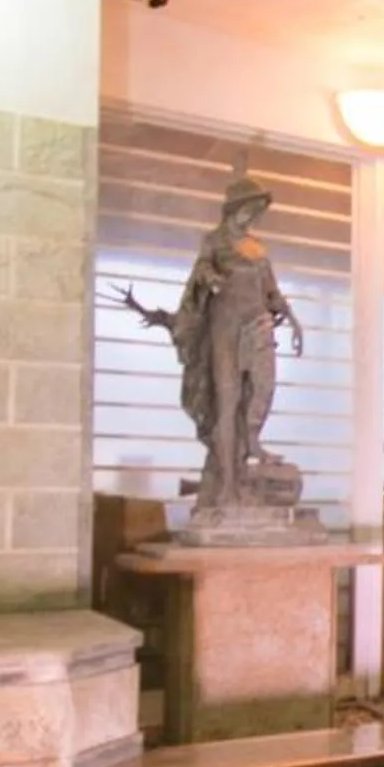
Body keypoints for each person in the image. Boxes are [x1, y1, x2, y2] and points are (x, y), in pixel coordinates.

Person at [119, 168, 303, 511]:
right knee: (227, 402)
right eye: (249, 209)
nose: (253, 216)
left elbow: (272, 291)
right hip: (224, 329)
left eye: (257, 210)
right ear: (235, 208)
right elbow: (200, 274)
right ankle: (228, 488)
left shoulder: (258, 248)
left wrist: (292, 321)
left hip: (257, 329)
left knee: (260, 392)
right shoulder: (214, 242)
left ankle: (252, 446)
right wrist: (211, 278)